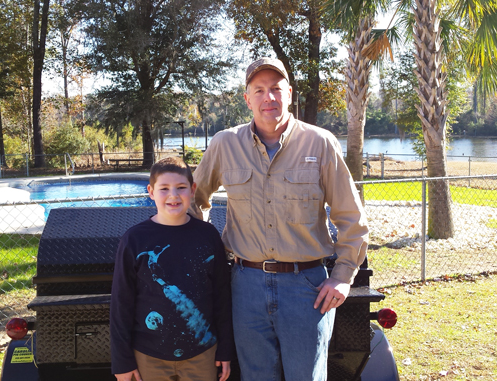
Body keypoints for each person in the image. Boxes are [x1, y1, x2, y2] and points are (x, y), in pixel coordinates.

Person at [190, 57, 369, 381]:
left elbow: (351, 217)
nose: (268, 97)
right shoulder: (224, 144)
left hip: (307, 289)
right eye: (258, 90)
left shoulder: (320, 143)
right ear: (247, 98)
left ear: (289, 93)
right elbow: (194, 202)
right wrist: (207, 257)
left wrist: (342, 275)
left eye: (275, 88)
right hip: (245, 286)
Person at [110, 156, 234, 381]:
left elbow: (222, 298)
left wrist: (226, 348)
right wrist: (122, 361)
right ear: (150, 191)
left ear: (193, 189)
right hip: (148, 355)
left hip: (203, 353)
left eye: (180, 188)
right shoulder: (134, 240)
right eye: (164, 188)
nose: (173, 196)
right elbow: (121, 304)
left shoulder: (208, 236)